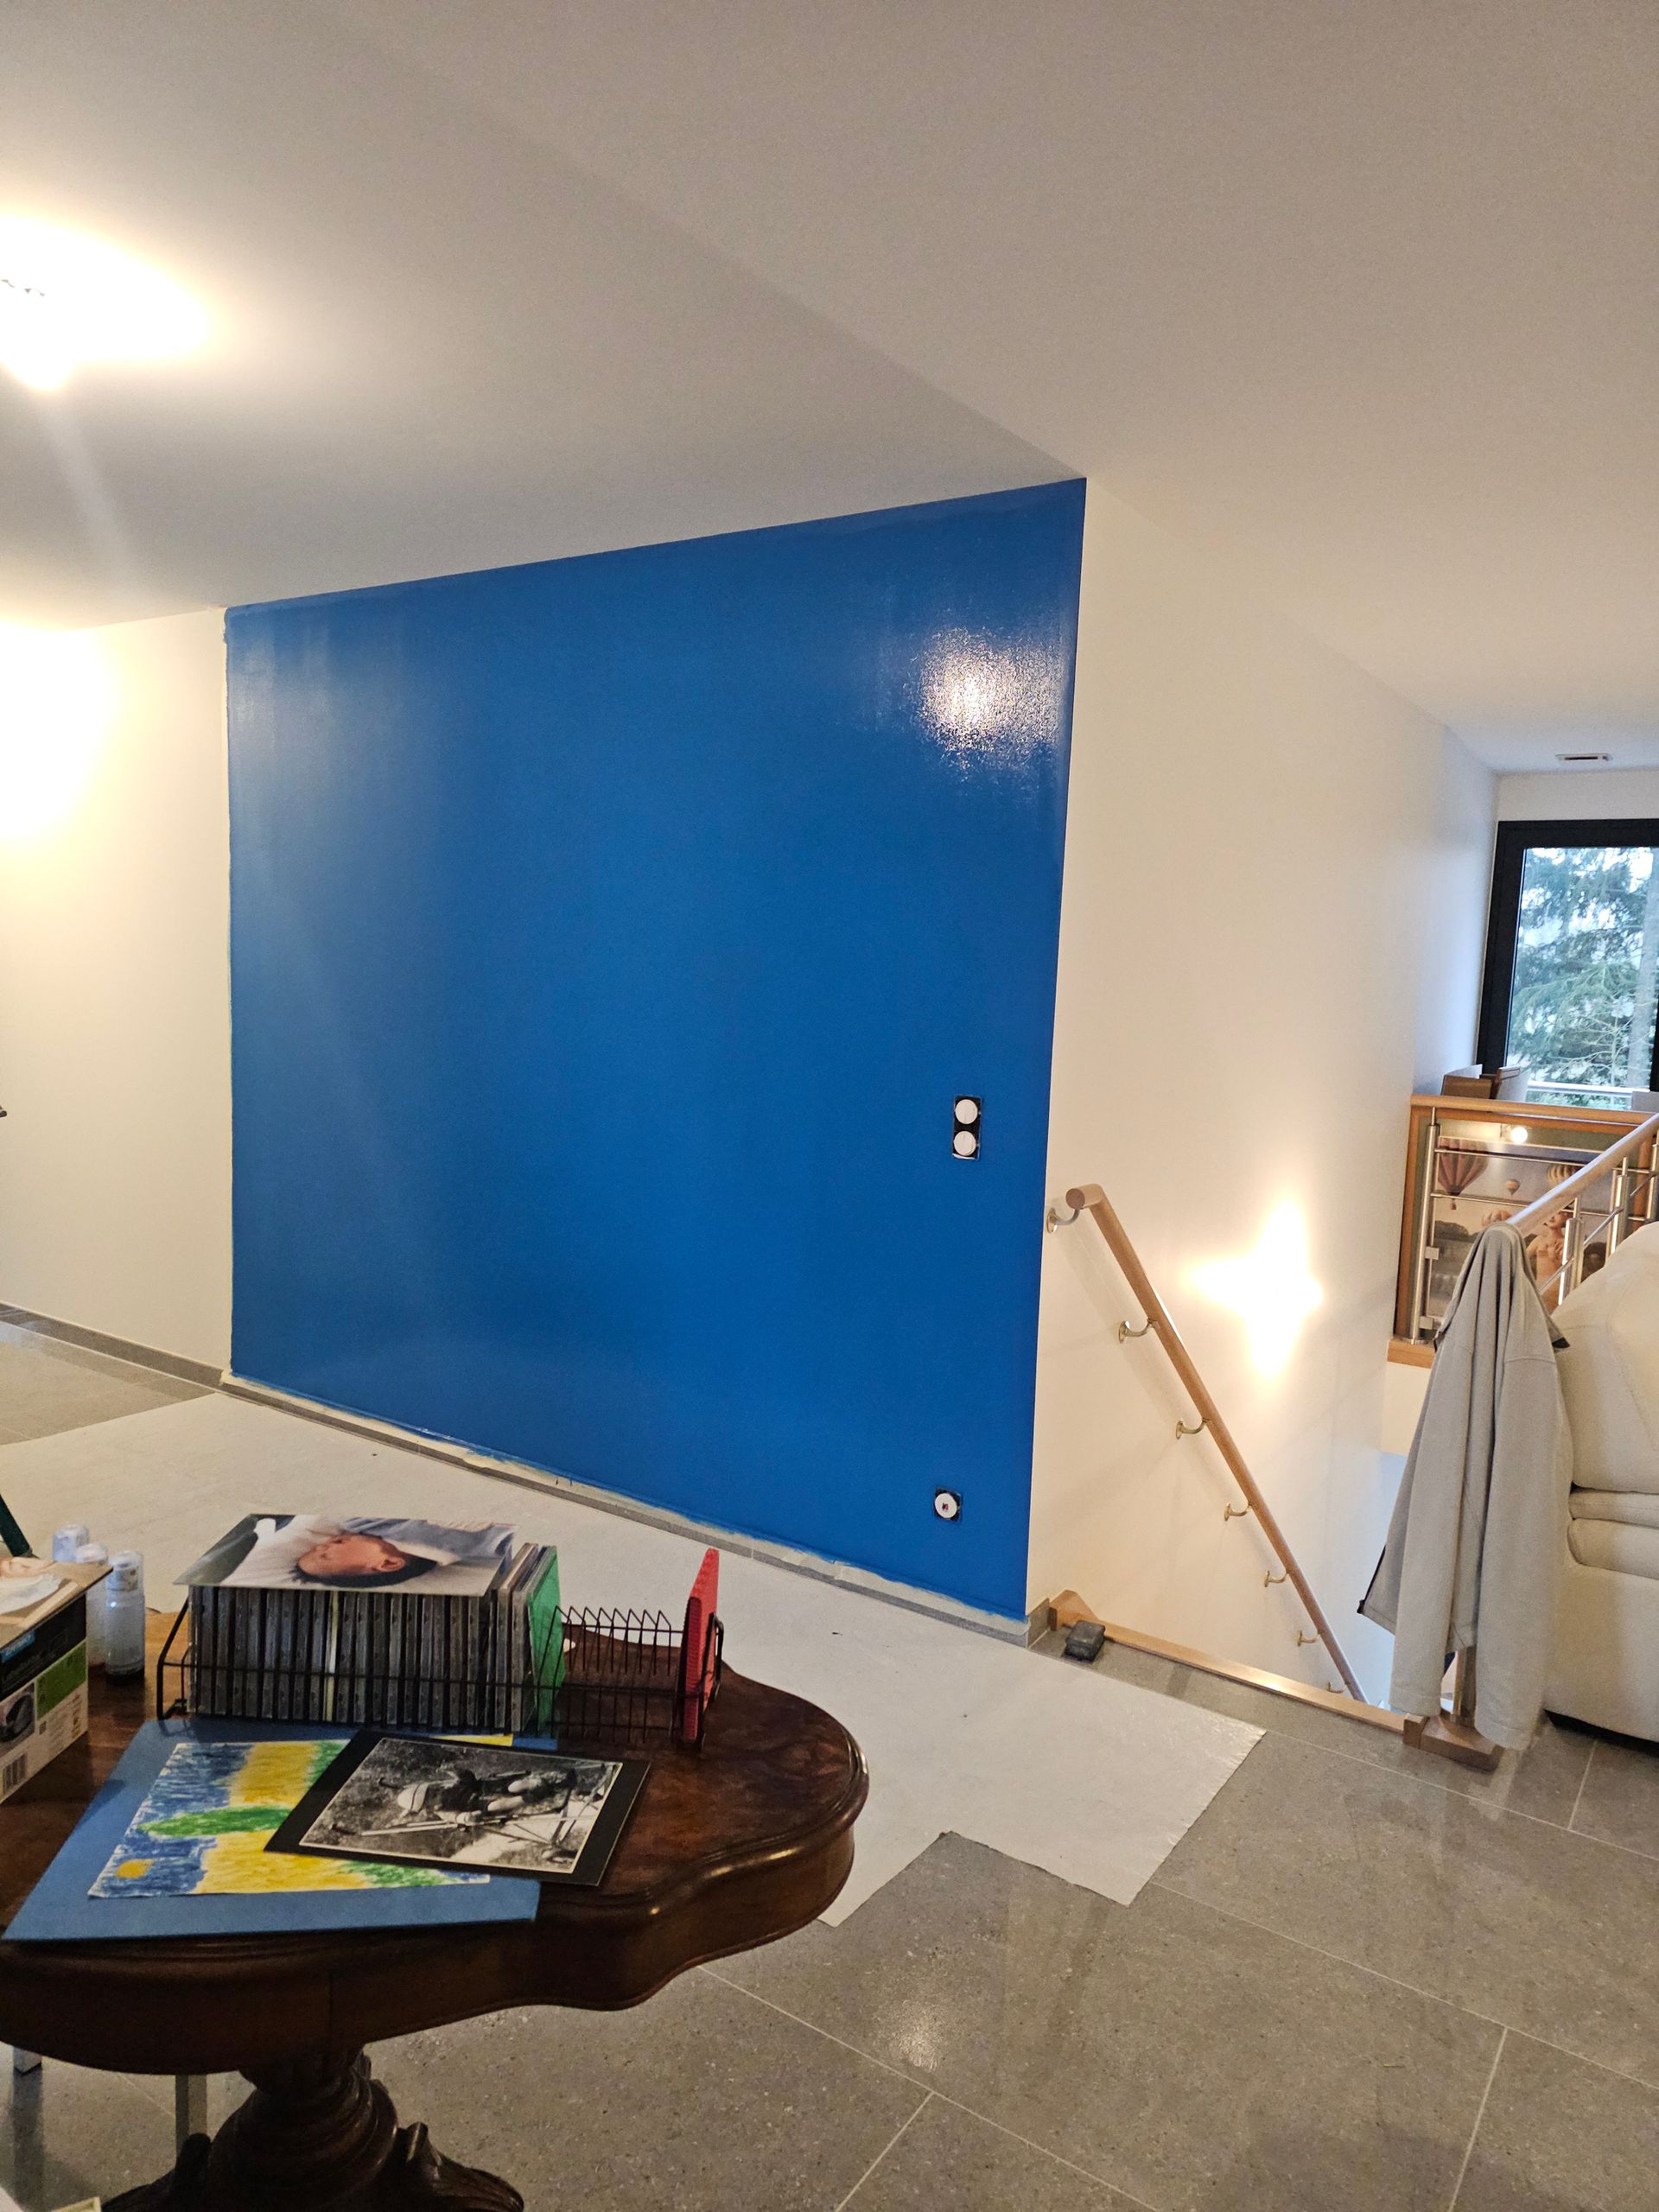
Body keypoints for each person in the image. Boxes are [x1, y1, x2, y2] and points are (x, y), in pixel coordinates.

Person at [220, 1514, 513, 1592]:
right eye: (325, 1557)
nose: (322, 1545)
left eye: (316, 1549)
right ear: (388, 1563)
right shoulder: (481, 1547)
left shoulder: (356, 1522)